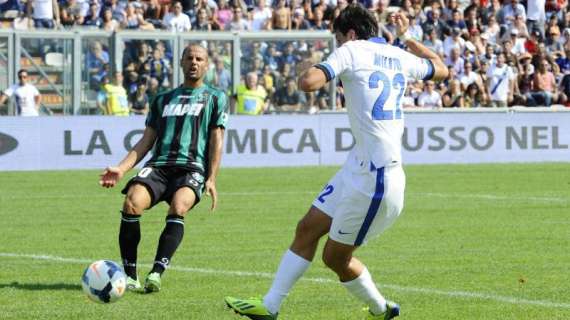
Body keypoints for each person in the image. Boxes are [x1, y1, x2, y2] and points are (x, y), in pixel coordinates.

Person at [225, 4, 447, 320]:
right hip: (358, 167)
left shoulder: (352, 49)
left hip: (377, 177)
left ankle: (380, 308)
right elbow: (441, 68)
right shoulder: (399, 56)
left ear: (351, 34)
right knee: (306, 229)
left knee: (334, 257)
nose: (337, 45)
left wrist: (310, 66)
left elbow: (309, 83)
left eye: (338, 38)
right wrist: (407, 36)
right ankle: (270, 305)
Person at [99, 44, 228, 293]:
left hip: (192, 169)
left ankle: (156, 273)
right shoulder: (162, 99)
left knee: (179, 207)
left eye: (199, 58)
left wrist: (211, 178)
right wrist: (122, 169)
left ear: (206, 65)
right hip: (159, 166)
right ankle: (130, 275)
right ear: (181, 62)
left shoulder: (215, 97)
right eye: (189, 58)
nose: (194, 62)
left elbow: (217, 139)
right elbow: (147, 140)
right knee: (131, 203)